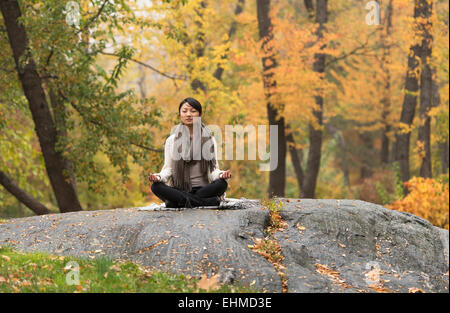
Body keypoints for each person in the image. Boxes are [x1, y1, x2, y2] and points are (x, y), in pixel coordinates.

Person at [148, 97, 232, 208]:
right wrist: (158, 177)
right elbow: (168, 169)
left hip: (203, 190)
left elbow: (213, 170)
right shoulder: (171, 141)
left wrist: (221, 175)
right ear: (180, 114)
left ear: (199, 115)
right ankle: (208, 202)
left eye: (193, 111)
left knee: (222, 184)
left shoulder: (209, 139)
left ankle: (178, 202)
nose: (188, 114)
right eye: (184, 111)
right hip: (179, 189)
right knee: (156, 187)